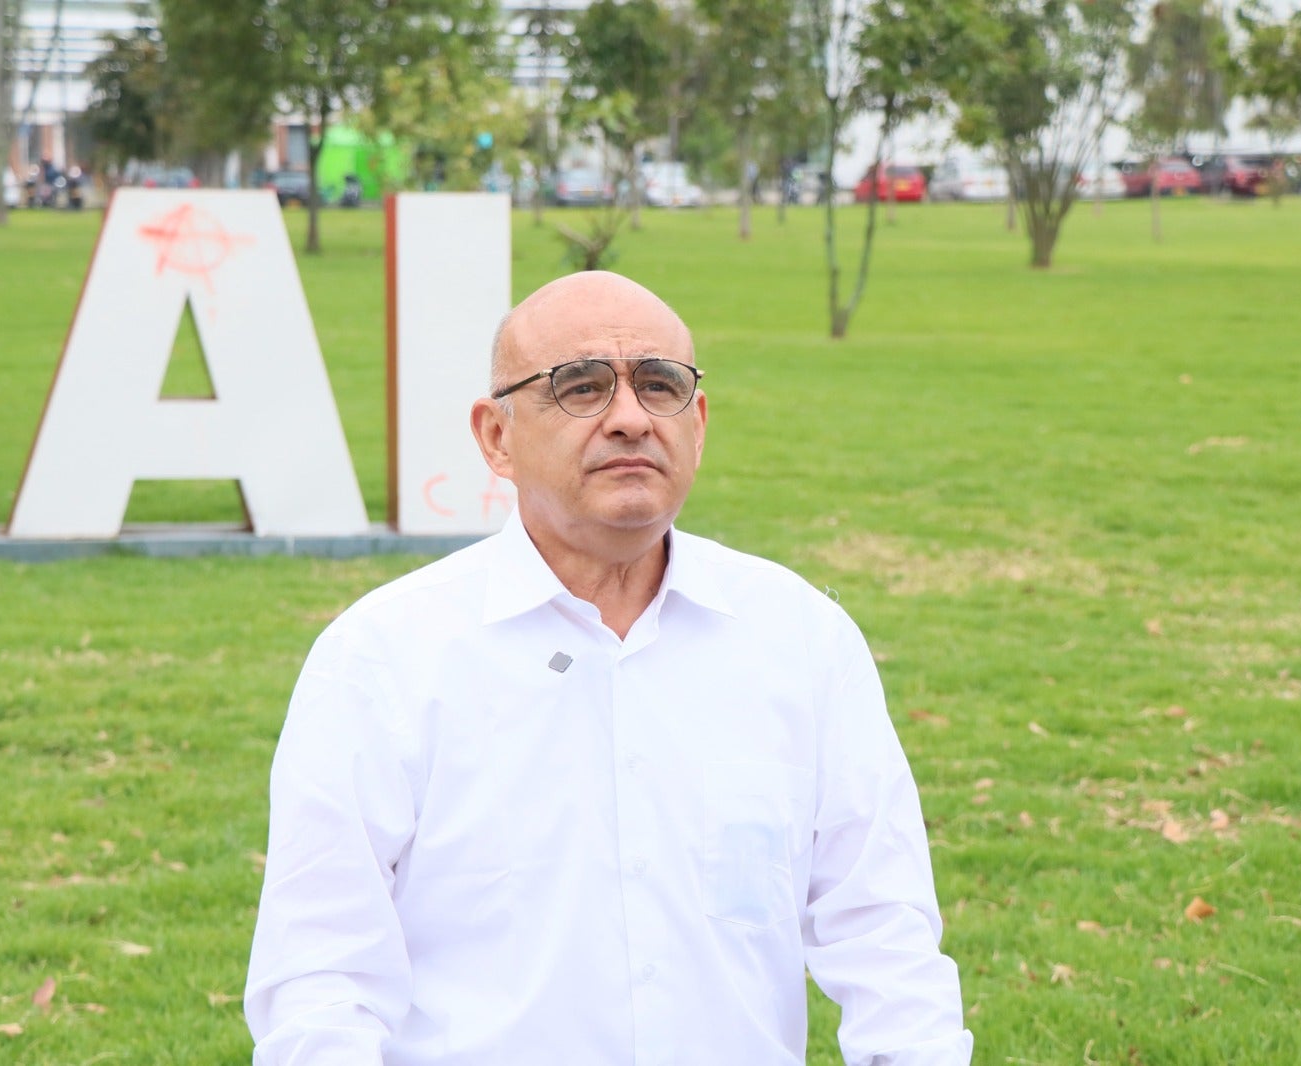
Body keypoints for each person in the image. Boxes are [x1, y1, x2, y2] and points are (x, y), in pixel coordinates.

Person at [244, 271, 972, 1066]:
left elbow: (886, 944)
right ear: (497, 437)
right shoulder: (383, 660)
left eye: (659, 385)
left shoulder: (799, 639)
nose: (629, 419)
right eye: (581, 387)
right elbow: (321, 986)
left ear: (697, 422)